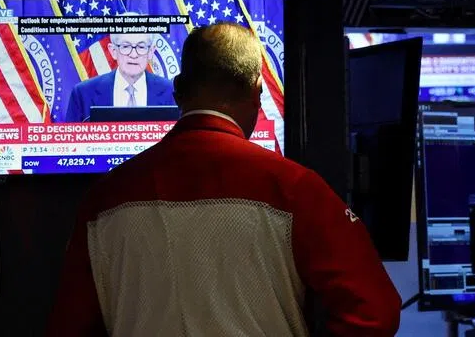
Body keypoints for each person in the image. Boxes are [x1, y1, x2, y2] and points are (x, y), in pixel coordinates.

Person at [45, 23, 401, 337]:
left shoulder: (105, 199)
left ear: (178, 90)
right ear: (257, 91)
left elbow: (68, 327)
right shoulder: (296, 189)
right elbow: (375, 313)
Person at [63, 18, 176, 122]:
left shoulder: (170, 91)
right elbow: (70, 142)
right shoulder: (83, 93)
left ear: (151, 51)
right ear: (113, 51)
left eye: (141, 47)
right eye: (125, 46)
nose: (133, 54)